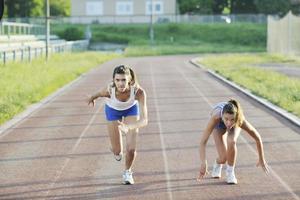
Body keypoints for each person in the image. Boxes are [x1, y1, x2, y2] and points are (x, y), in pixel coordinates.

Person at [87, 65, 148, 185]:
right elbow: (98, 93)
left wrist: (129, 127)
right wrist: (91, 98)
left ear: (129, 80)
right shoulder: (109, 90)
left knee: (131, 149)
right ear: (114, 81)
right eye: (117, 80)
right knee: (118, 152)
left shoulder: (139, 92)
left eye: (124, 80)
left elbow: (145, 120)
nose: (120, 83)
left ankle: (127, 172)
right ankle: (115, 150)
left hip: (131, 110)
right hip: (113, 110)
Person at [197, 99, 269, 184]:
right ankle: (217, 163)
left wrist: (261, 158)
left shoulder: (240, 119)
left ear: (236, 118)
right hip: (219, 127)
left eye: (232, 120)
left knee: (232, 141)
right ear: (222, 116)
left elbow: (257, 137)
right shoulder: (216, 117)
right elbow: (203, 142)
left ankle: (230, 172)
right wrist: (203, 162)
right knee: (223, 158)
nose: (229, 123)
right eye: (226, 119)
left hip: (235, 126)